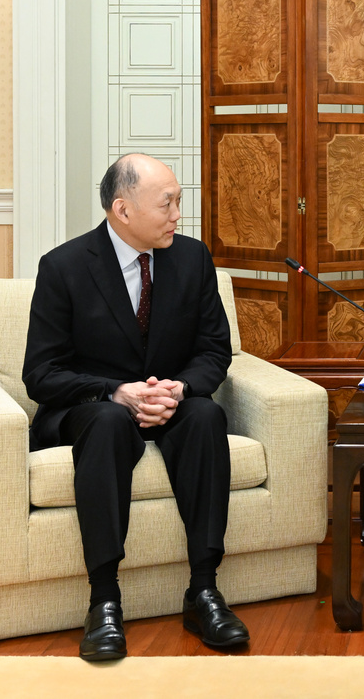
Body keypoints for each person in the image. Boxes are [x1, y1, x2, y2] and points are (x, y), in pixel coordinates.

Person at [23, 153, 249, 661]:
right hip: (94, 407)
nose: (177, 216)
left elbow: (215, 349)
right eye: (166, 204)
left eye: (178, 202)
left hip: (169, 399)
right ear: (122, 210)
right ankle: (104, 601)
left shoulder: (192, 258)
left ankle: (204, 591)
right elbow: (41, 373)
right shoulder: (63, 267)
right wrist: (115, 392)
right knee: (107, 422)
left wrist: (179, 390)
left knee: (206, 415)